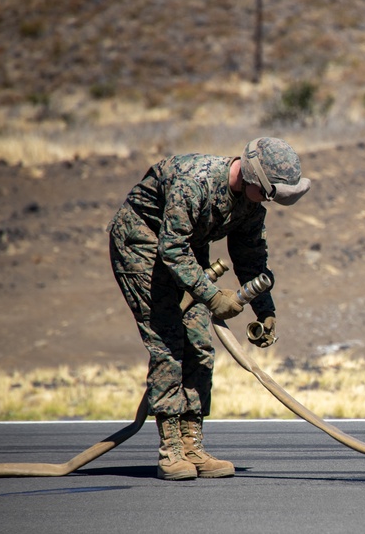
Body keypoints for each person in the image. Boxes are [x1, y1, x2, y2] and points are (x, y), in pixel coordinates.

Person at [107, 137, 311, 480]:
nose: (269, 202)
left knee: (199, 344)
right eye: (268, 192)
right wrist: (214, 297)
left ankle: (192, 445)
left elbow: (250, 258)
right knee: (169, 342)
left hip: (187, 249)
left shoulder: (251, 204)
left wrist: (265, 311)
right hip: (142, 244)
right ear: (251, 178)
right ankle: (170, 450)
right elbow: (171, 249)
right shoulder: (195, 182)